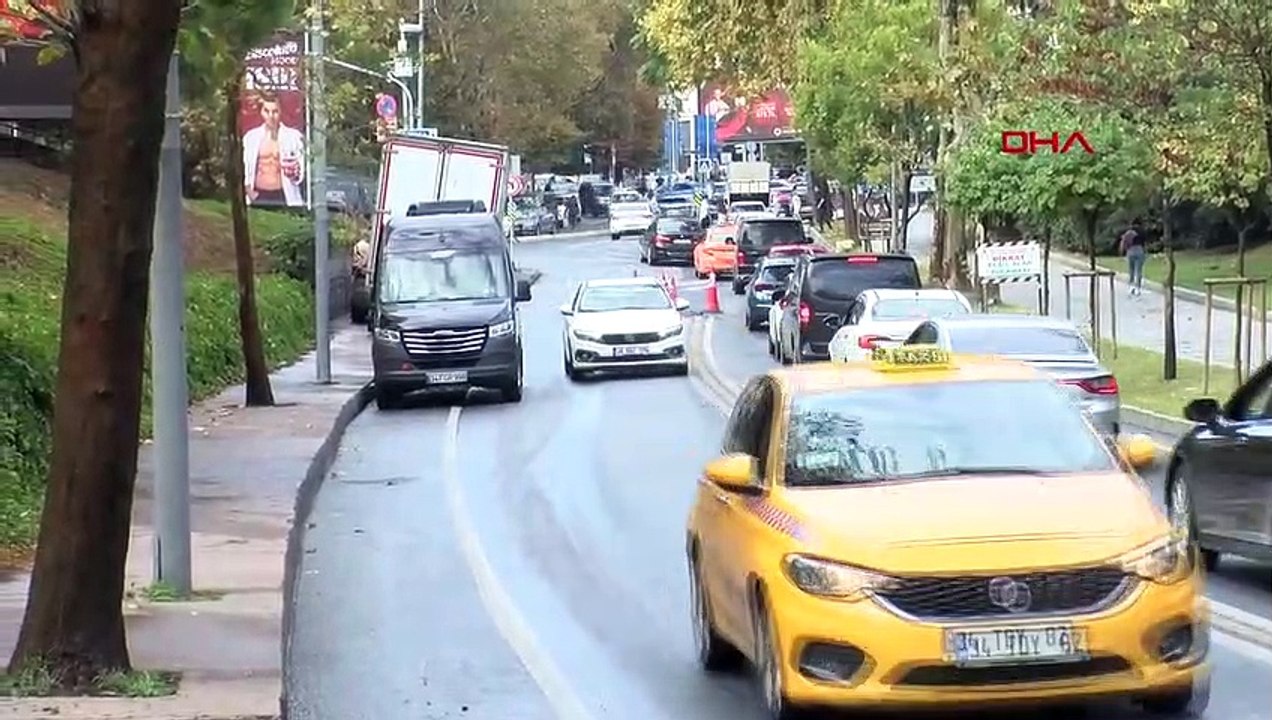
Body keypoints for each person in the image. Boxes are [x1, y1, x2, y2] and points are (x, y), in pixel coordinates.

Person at [243, 90, 306, 206]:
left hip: (284, 194)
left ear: (281, 111)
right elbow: (243, 169)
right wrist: (250, 192)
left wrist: (295, 173)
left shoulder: (294, 137)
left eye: (275, 111)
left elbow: (301, 170)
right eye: (267, 111)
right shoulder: (251, 138)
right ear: (261, 112)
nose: (271, 116)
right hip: (258, 194)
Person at [1120, 219, 1147, 295]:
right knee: (1139, 270)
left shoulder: (1129, 232)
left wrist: (1124, 251)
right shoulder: (1142, 231)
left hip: (1130, 250)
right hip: (1140, 250)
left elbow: (1125, 242)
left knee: (1131, 270)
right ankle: (1138, 288)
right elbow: (1144, 243)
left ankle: (1131, 287)